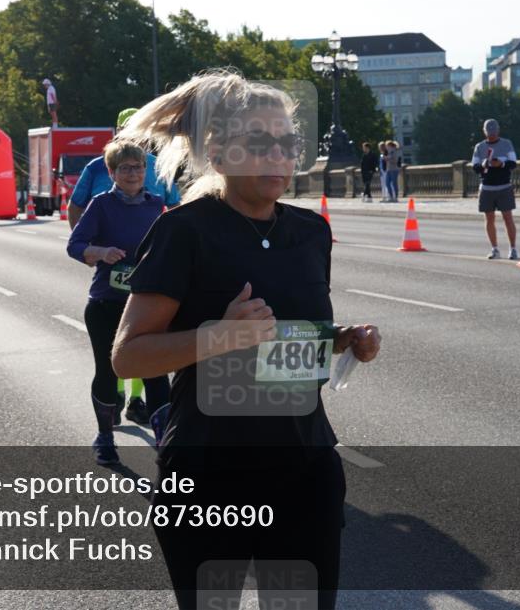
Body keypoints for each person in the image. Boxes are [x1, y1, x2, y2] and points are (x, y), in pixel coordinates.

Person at [112, 70, 381, 609]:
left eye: (288, 144)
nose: (277, 157)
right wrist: (219, 336)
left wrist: (344, 338)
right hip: (209, 473)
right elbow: (128, 356)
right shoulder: (183, 231)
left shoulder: (310, 232)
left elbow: (287, 335)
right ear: (219, 152)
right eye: (259, 144)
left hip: (304, 469)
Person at [66, 138, 170, 465]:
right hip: (107, 302)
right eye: (125, 168)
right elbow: (75, 244)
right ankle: (105, 438)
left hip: (147, 303)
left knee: (156, 371)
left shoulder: (156, 206)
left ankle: (166, 441)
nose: (133, 173)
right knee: (108, 372)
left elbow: (170, 246)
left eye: (138, 167)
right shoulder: (100, 205)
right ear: (112, 172)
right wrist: (100, 253)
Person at [67, 108, 182, 230]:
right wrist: (83, 244)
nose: (135, 136)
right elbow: (75, 208)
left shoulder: (160, 166)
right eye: (130, 130)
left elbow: (175, 207)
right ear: (119, 133)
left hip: (150, 247)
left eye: (140, 130)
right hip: (106, 247)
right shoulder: (96, 167)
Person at [471, 119, 518, 259]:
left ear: (498, 131)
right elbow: (475, 167)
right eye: (489, 133)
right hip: (486, 187)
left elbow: (513, 163)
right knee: (489, 219)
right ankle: (494, 248)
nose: (491, 135)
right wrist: (484, 165)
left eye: (494, 132)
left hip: (504, 186)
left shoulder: (506, 144)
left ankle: (513, 248)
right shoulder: (479, 147)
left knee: (507, 218)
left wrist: (501, 164)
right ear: (485, 132)